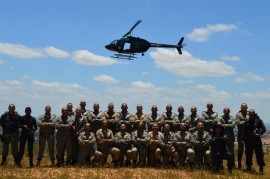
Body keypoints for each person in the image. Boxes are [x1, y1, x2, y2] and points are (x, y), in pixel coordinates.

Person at [235, 103, 248, 169]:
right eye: (242, 107)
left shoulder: (249, 113)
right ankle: (239, 163)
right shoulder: (238, 114)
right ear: (240, 107)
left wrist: (242, 121)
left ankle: (248, 165)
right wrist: (245, 121)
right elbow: (237, 123)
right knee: (240, 150)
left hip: (248, 134)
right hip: (241, 134)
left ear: (247, 107)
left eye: (244, 107)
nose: (243, 108)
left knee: (248, 150)